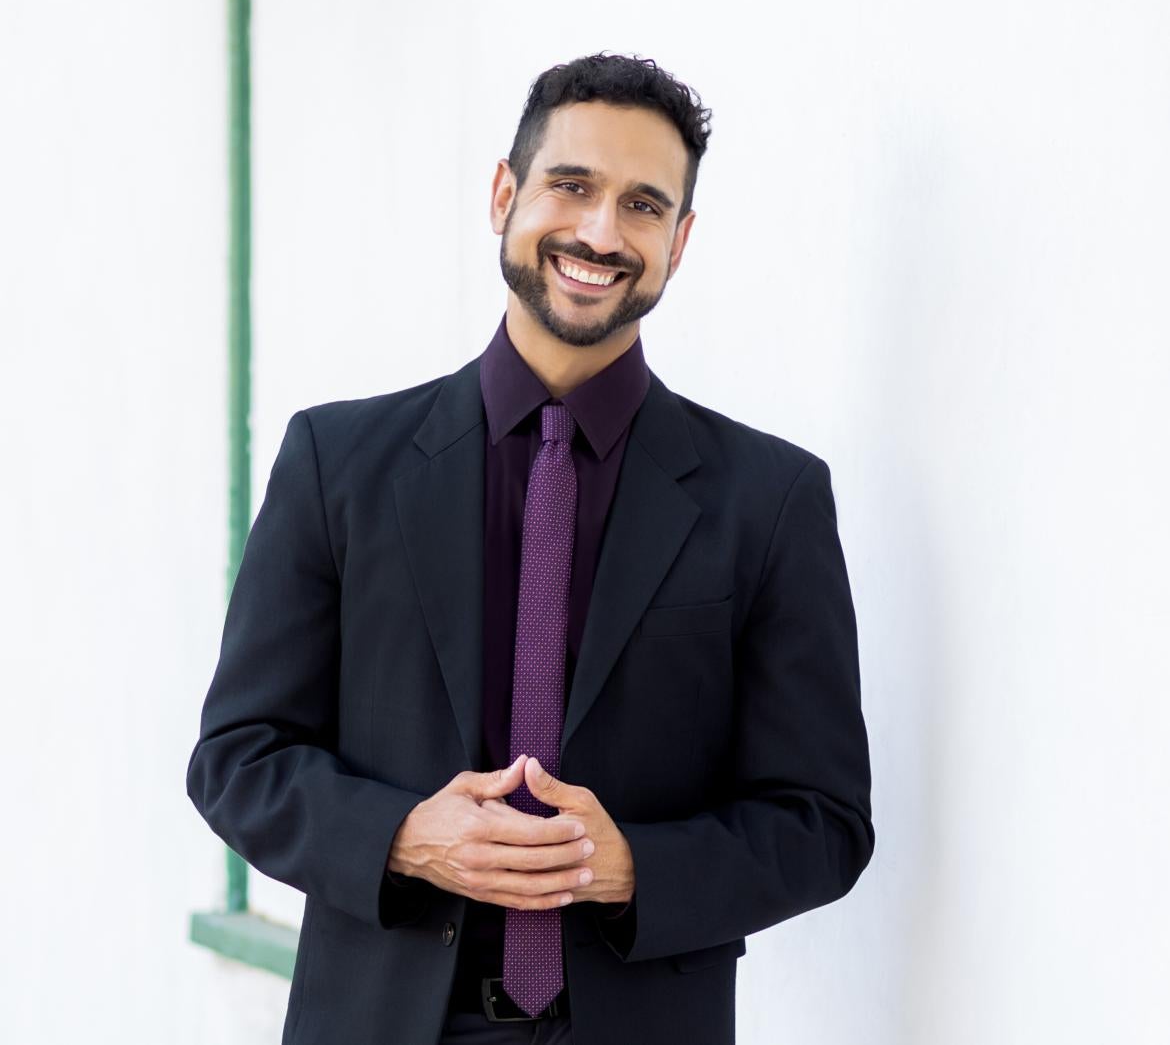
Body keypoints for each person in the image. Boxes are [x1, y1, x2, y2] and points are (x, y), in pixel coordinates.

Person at [186, 53, 875, 1045]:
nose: (600, 232)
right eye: (572, 185)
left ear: (679, 243)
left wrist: (632, 864)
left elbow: (822, 822)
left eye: (643, 205)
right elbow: (237, 760)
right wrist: (407, 838)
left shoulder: (770, 500)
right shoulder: (336, 464)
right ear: (506, 193)